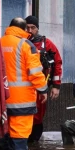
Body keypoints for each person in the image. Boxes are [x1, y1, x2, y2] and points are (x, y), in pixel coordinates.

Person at [0, 17, 48, 150]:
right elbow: (35, 72)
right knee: (19, 142)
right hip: (22, 101)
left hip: (0, 99)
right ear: (24, 29)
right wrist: (43, 90)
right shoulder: (26, 45)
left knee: (2, 141)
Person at [24, 15, 63, 143]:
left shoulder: (46, 44)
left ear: (37, 29)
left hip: (41, 87)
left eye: (33, 28)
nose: (29, 30)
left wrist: (56, 86)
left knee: (38, 115)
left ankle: (34, 142)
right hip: (22, 88)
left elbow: (57, 63)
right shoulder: (19, 43)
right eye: (27, 27)